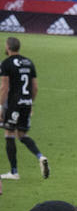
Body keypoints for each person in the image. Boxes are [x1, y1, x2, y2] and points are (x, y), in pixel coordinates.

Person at [1, 37, 50, 181]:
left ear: (8, 47)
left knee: (9, 133)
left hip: (14, 103)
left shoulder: (6, 63)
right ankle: (40, 156)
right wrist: (30, 104)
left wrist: (0, 106)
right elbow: (35, 87)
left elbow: (4, 87)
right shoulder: (29, 62)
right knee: (22, 134)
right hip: (27, 102)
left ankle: (14, 172)